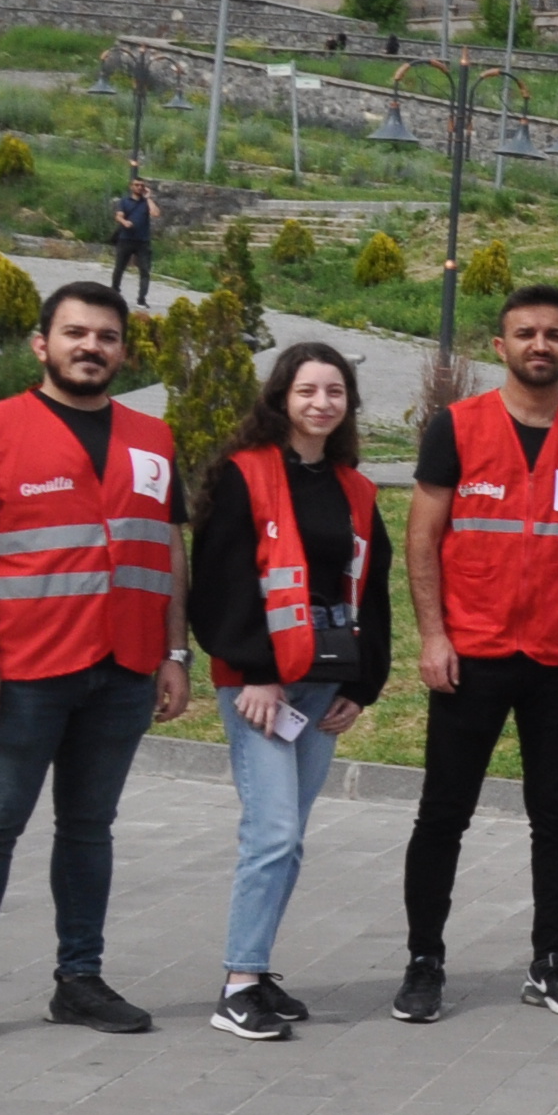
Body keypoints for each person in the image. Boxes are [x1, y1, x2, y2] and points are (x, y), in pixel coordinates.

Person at [0, 279, 189, 1046]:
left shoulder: (154, 438)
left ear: (122, 351)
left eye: (106, 337)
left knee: (88, 830)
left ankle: (79, 981)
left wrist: (175, 653)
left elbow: (168, 549)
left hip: (124, 668)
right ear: (43, 344)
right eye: (75, 333)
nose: (91, 347)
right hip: (24, 669)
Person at [397, 284, 558, 1022]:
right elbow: (421, 536)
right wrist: (433, 635)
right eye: (526, 333)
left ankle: (551, 959)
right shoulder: (459, 428)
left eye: (556, 334)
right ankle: (424, 959)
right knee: (443, 814)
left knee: (555, 818)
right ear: (500, 347)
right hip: (473, 654)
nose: (542, 344)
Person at [190, 342, 391, 1041]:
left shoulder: (356, 489)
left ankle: (257, 971)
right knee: (271, 832)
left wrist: (361, 688)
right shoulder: (245, 476)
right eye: (308, 391)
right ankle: (238, 985)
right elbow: (219, 583)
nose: (321, 404)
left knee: (290, 837)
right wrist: (255, 674)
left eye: (335, 392)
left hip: (322, 685)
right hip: (262, 688)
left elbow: (372, 593)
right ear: (281, 398)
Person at [109, 172, 158, 308]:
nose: (139, 187)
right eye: (137, 185)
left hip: (143, 241)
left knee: (145, 271)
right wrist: (124, 222)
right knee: (119, 268)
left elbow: (155, 213)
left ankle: (141, 299)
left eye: (142, 185)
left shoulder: (146, 202)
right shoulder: (124, 201)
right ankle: (114, 292)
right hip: (126, 239)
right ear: (131, 187)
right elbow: (118, 216)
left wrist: (148, 198)